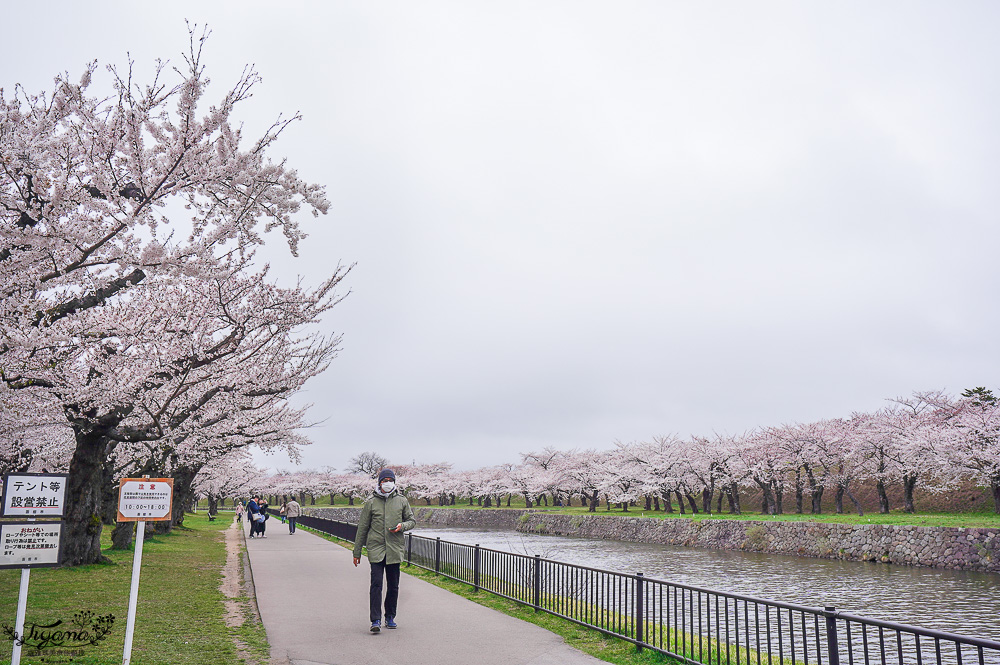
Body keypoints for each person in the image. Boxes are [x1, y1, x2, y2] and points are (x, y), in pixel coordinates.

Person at [353, 468, 415, 633]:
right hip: (376, 548)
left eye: (390, 480)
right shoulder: (371, 502)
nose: (387, 483)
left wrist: (402, 526)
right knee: (376, 584)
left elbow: (411, 520)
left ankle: (390, 617)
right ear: (379, 482)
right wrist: (356, 552)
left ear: (394, 482)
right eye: (384, 480)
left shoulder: (402, 501)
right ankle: (375, 620)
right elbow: (362, 529)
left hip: (394, 548)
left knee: (393, 586)